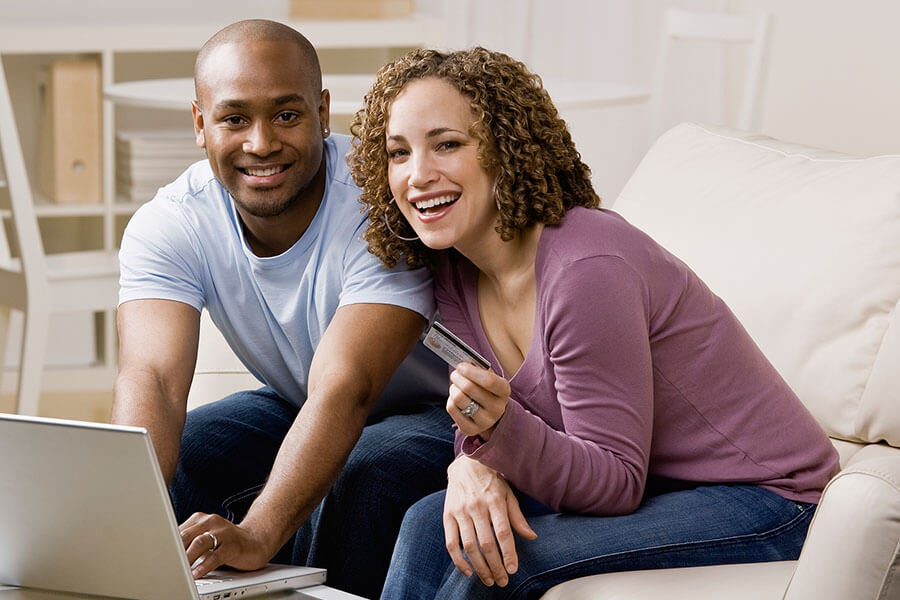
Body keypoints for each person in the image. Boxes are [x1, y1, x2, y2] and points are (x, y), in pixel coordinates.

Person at [348, 47, 841, 599]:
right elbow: (481, 414)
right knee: (428, 522)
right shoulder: (455, 271)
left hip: (769, 501)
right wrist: (468, 465)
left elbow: (614, 484)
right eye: (398, 153)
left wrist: (494, 433)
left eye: (447, 144)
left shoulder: (587, 269)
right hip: (661, 486)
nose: (417, 175)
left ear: (504, 149)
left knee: (497, 561)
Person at [111, 20, 455, 599]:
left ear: (323, 113)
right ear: (200, 123)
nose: (262, 142)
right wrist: (114, 525)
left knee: (363, 468)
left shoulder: (381, 198)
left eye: (287, 115)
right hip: (303, 397)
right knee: (191, 450)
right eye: (234, 118)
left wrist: (259, 534)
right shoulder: (171, 223)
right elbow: (155, 382)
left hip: (445, 411)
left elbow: (349, 386)